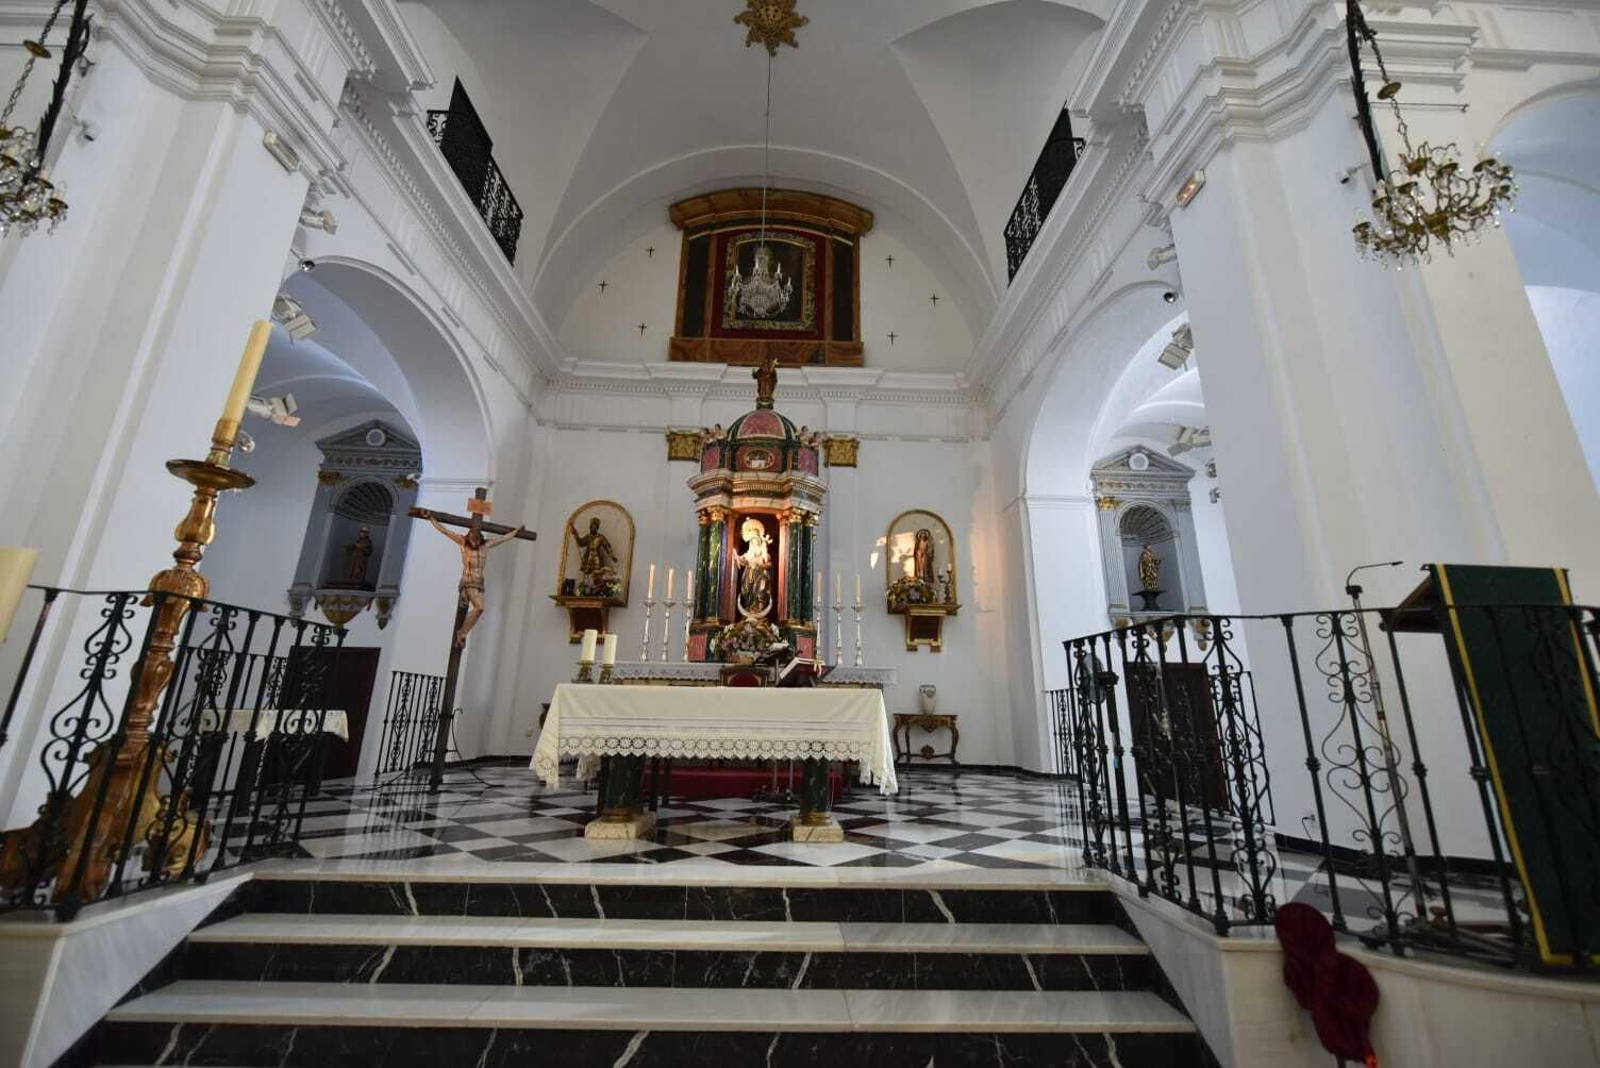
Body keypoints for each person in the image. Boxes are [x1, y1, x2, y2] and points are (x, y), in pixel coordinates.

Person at [428, 516, 525, 647]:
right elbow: (445, 531)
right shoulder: (462, 542)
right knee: (480, 607)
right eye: (473, 541)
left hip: (479, 582)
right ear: (469, 538)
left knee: (479, 611)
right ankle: (461, 633)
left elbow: (503, 539)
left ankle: (462, 633)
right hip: (469, 580)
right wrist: (431, 519)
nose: (475, 543)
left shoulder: (485, 545)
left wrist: (517, 530)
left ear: (480, 539)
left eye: (477, 541)